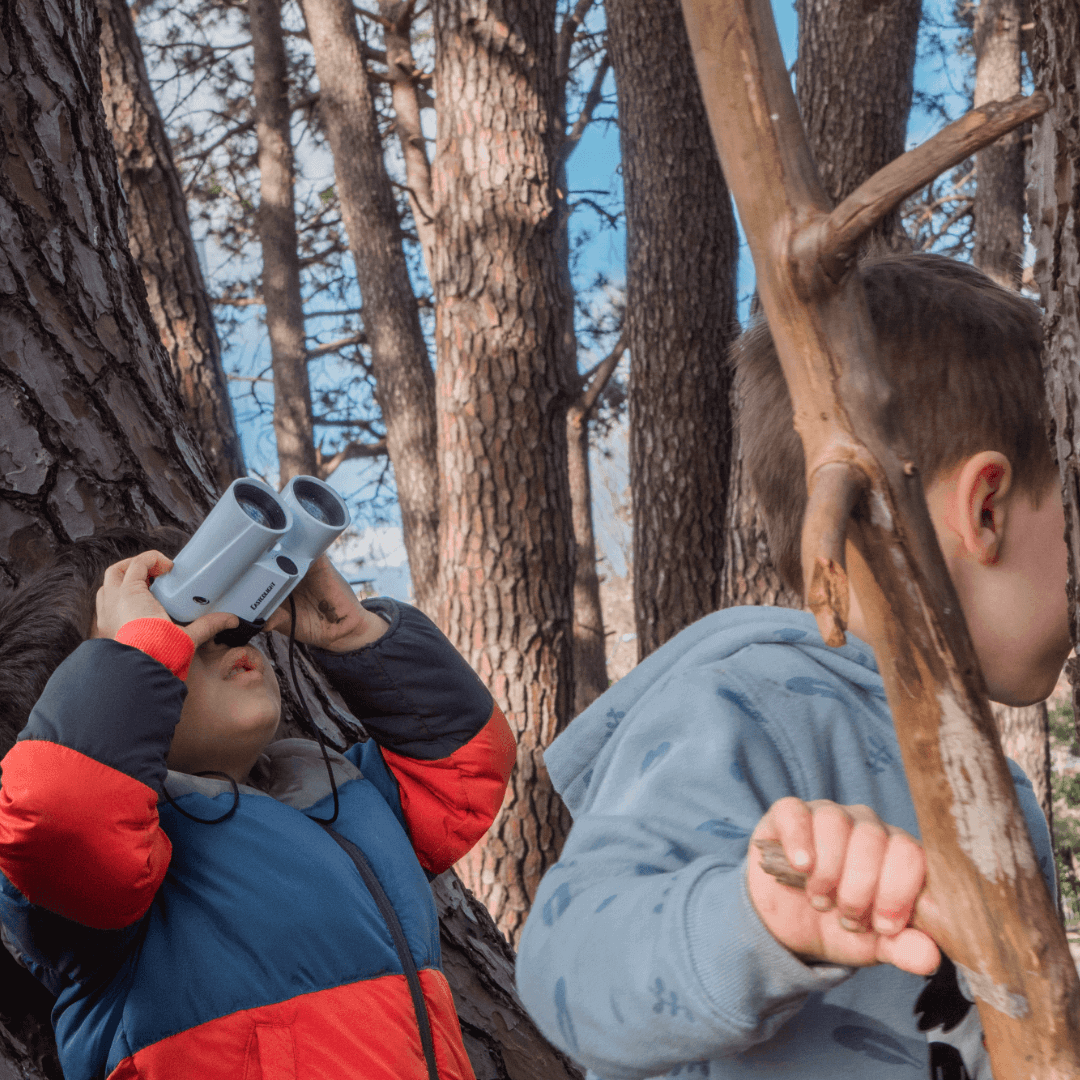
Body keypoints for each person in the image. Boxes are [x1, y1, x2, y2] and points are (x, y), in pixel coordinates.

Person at [514, 254, 1064, 1080]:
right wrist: (760, 920)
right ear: (985, 510)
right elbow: (567, 968)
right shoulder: (744, 707)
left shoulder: (1005, 790)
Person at [0, 526, 516, 1080]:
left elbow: (461, 774)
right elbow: (60, 814)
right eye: (176, 629)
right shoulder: (104, 879)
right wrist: (132, 657)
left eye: (219, 612)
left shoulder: (334, 794)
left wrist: (353, 632)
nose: (220, 636)